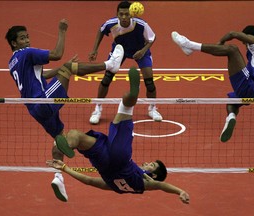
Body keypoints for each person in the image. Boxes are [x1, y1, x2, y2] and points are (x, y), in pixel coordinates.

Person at [5, 19, 124, 202]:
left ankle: (57, 177)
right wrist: (61, 31)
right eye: (22, 38)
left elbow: (42, 75)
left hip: (34, 109)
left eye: (27, 37)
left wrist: (60, 70)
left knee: (60, 137)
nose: (27, 41)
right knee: (69, 68)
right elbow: (57, 54)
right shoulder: (27, 53)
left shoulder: (12, 62)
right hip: (43, 101)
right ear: (14, 43)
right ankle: (110, 65)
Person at [47, 67, 190, 204]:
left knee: (126, 108)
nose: (147, 163)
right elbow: (88, 181)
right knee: (75, 134)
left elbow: (160, 185)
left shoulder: (145, 181)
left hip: (120, 157)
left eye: (152, 165)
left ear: (153, 175)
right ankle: (70, 146)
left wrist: (180, 191)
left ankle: (133, 95)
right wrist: (65, 168)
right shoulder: (119, 188)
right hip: (102, 163)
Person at [171, 25, 254, 142]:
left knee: (232, 50)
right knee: (231, 101)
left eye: (244, 43)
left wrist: (221, 42)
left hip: (249, 85)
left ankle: (189, 45)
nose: (245, 46)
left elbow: (233, 33)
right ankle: (231, 117)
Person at [88, 1, 162, 124]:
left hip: (139, 51)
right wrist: (94, 50)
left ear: (131, 15)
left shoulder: (141, 24)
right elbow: (101, 31)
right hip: (120, 50)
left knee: (149, 82)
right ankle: (98, 108)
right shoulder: (111, 24)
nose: (123, 17)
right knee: (107, 78)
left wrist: (143, 51)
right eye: (120, 14)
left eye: (126, 14)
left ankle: (152, 108)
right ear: (117, 14)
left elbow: (152, 38)